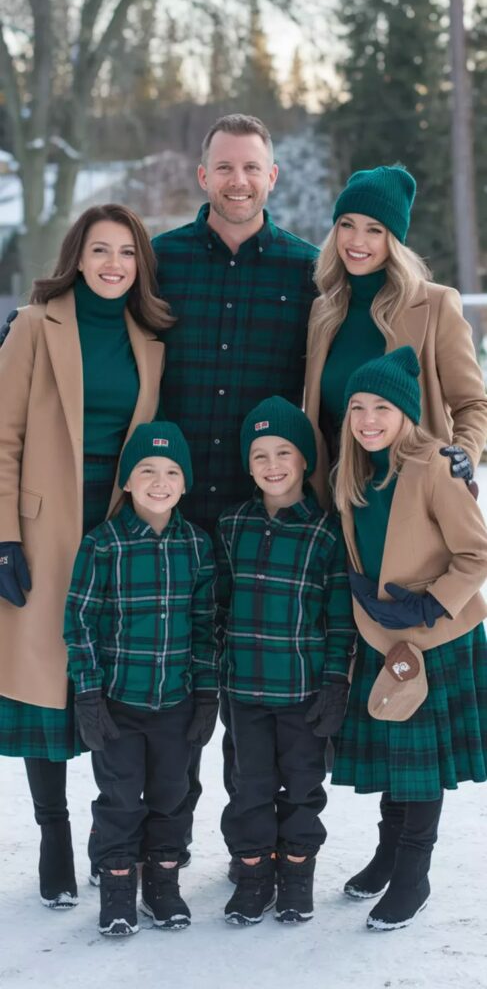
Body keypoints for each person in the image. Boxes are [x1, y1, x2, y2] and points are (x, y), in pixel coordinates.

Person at [152, 113, 319, 863]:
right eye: (224, 167)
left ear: (271, 177)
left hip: (265, 522)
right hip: (176, 514)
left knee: (254, 695)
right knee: (178, 688)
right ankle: (166, 840)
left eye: (251, 168)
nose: (238, 181)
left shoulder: (306, 271)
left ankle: (253, 847)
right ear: (202, 175)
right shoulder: (160, 263)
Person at [0, 204, 173, 908]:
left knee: (107, 690)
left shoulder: (151, 339)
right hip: (44, 533)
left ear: (140, 266)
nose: (112, 264)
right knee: (47, 690)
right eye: (100, 250)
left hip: (115, 534)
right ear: (77, 256)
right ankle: (52, 835)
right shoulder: (36, 326)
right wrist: (4, 535)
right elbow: (2, 436)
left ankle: (115, 843)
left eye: (126, 254)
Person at [332, 346, 487, 931]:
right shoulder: (350, 470)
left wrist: (427, 605)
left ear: (405, 413)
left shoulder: (434, 467)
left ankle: (414, 874)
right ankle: (389, 854)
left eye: (381, 408)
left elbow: (477, 554)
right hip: (380, 638)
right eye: (357, 407)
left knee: (418, 767)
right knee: (397, 760)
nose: (368, 419)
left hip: (435, 636)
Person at [64, 422, 218, 936]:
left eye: (172, 471)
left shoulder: (196, 546)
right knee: (120, 798)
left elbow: (204, 625)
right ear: (126, 482)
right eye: (147, 470)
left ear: (185, 483)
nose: (160, 480)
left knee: (174, 795)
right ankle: (116, 889)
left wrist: (205, 694)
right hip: (118, 703)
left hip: (176, 703)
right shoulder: (103, 545)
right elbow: (80, 621)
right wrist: (88, 694)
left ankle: (162, 885)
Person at [214, 396, 356, 926]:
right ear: (247, 466)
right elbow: (219, 606)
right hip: (244, 690)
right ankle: (252, 876)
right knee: (247, 786)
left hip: (303, 692)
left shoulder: (326, 532)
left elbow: (340, 618)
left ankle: (296, 874)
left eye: (284, 453)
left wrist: (335, 683)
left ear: (304, 461)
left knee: (302, 788)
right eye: (259, 456)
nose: (272, 466)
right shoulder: (231, 525)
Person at [304, 164, 487, 507]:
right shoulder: (323, 312)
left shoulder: (435, 305)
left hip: (414, 498)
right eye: (347, 225)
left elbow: (473, 403)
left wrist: (462, 453)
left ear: (394, 239)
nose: (357, 241)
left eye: (374, 230)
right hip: (338, 500)